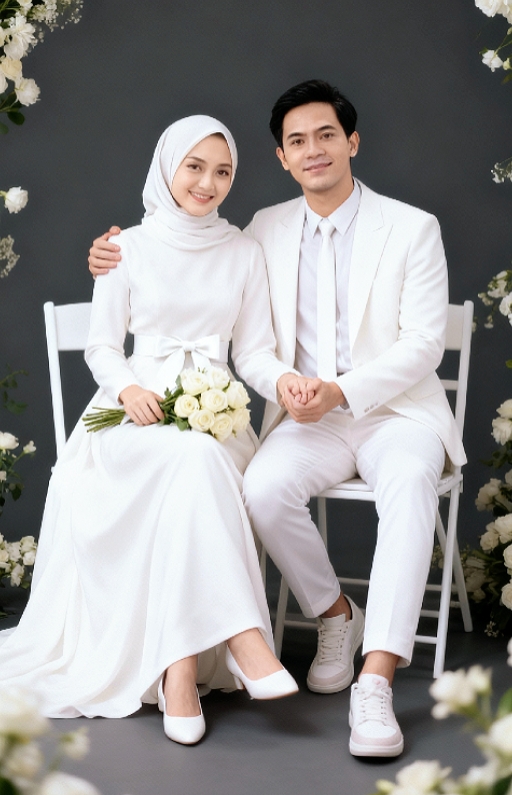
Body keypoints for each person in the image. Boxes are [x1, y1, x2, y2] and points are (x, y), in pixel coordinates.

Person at [89, 81, 466, 758]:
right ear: (282, 158)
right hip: (309, 417)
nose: (313, 149)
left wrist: (341, 390)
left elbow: (423, 345)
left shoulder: (413, 227)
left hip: (396, 412)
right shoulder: (263, 228)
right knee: (261, 488)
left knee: (410, 484)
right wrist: (285, 384)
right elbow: (254, 346)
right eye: (297, 141)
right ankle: (334, 614)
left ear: (352, 142)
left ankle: (376, 681)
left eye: (326, 135)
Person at [0, 115, 304, 744]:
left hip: (214, 414)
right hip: (128, 417)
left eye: (222, 172)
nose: (207, 183)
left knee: (197, 461)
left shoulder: (243, 252)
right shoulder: (126, 247)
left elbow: (251, 352)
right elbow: (102, 346)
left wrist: (280, 384)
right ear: (168, 167)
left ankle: (178, 672)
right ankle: (245, 642)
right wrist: (129, 390)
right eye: (194, 167)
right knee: (192, 463)